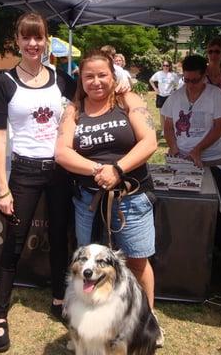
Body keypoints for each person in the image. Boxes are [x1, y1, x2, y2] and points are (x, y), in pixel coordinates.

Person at [55, 49, 160, 329]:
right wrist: (97, 170)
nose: (96, 81)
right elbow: (62, 153)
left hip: (131, 199)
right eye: (89, 76)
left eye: (102, 75)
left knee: (137, 262)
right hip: (88, 201)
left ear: (113, 77)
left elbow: (149, 141)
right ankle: (96, 320)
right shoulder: (73, 110)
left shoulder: (128, 100)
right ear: (81, 80)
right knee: (91, 268)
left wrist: (118, 169)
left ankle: (146, 320)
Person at [0, 12, 76, 353]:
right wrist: (2, 187)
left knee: (59, 238)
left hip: (58, 171)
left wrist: (122, 81)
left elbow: (95, 91)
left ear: (46, 39)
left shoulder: (61, 78)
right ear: (17, 40)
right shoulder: (5, 83)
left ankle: (58, 300)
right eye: (26, 38)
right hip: (23, 172)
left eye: (38, 37)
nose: (33, 44)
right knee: (14, 242)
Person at [161, 55, 221, 168]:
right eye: (186, 80)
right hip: (182, 157)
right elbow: (168, 127)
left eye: (195, 81)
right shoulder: (175, 96)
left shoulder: (216, 95)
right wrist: (173, 147)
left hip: (213, 158)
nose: (190, 85)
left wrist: (197, 150)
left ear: (204, 76)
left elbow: (220, 127)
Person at [149, 60, 180, 133]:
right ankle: (163, 130)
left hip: (169, 96)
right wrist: (155, 89)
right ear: (162, 66)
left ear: (170, 66)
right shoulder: (158, 74)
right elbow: (151, 80)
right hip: (160, 96)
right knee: (162, 114)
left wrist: (174, 91)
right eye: (164, 65)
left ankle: (170, 129)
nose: (165, 67)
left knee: (170, 114)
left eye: (167, 65)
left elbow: (178, 84)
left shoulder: (173, 75)